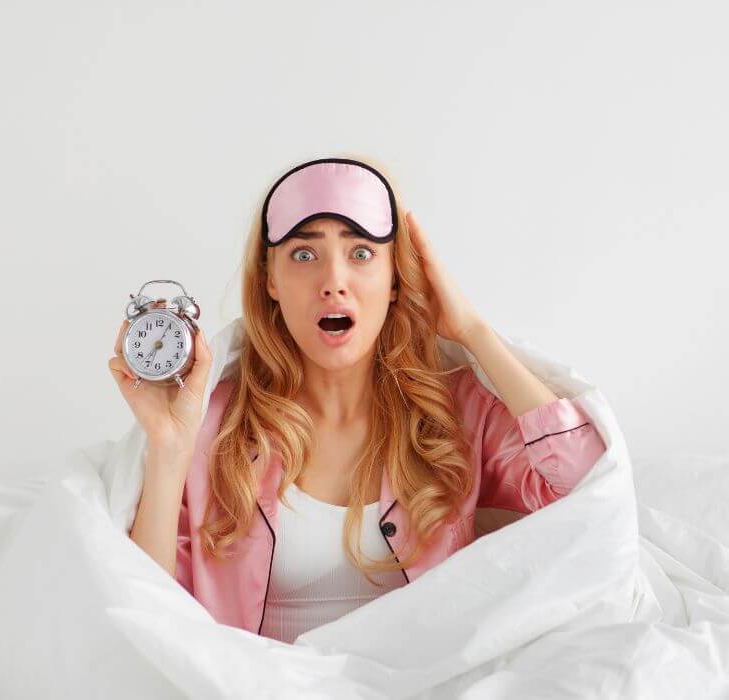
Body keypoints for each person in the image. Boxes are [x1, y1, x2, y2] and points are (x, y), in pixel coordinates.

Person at [107, 155, 607, 644]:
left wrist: (473, 332)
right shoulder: (216, 423)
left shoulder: (455, 411)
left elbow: (591, 489)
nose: (333, 283)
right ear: (270, 282)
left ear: (395, 279)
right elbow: (149, 619)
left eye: (361, 253)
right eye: (304, 255)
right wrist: (169, 447)